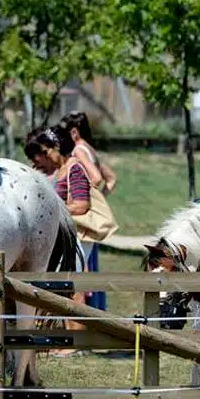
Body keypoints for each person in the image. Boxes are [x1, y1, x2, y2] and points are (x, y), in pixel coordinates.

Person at [25, 125, 91, 341]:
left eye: (43, 155)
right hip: (52, 240)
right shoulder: (50, 172)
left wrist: (51, 209)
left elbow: (81, 205)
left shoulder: (75, 169)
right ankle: (59, 339)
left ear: (53, 149)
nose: (40, 161)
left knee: (75, 291)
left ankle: (76, 342)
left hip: (68, 239)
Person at [60, 111, 117, 312]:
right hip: (89, 222)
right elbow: (112, 179)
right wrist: (101, 199)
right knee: (90, 266)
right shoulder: (90, 149)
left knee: (80, 269)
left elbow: (97, 178)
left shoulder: (78, 151)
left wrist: (85, 195)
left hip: (81, 219)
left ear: (74, 132)